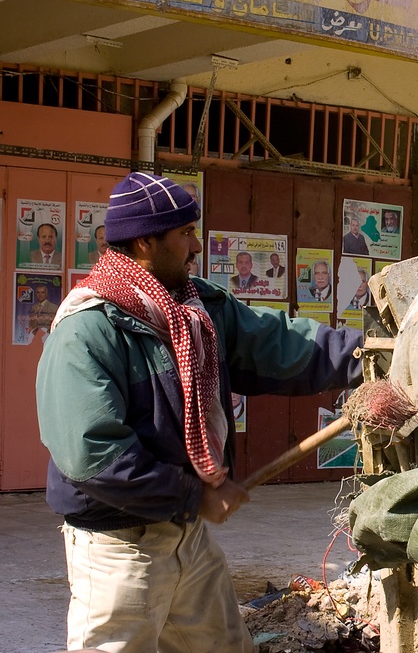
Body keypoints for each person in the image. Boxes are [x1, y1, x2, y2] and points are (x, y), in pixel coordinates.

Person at [36, 172, 363, 653]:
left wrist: (366, 355)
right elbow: (94, 457)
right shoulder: (85, 332)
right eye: (185, 234)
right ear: (145, 241)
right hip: (116, 551)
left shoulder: (197, 309)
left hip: (186, 540)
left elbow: (277, 344)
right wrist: (193, 496)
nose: (195, 246)